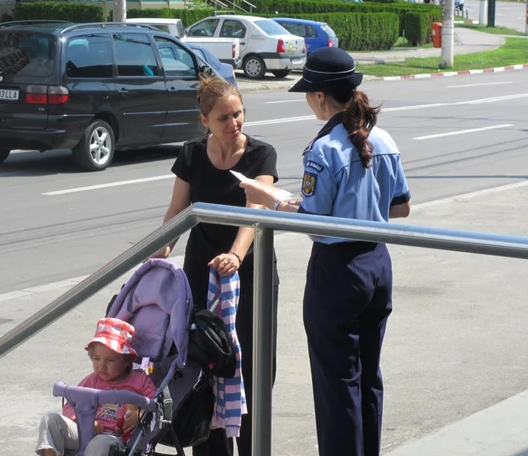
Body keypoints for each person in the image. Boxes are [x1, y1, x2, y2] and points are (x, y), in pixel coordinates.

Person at [239, 47, 411, 456]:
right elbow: (401, 206)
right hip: (377, 263)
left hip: (338, 271)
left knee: (337, 386)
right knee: (368, 377)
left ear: (320, 97)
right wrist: (364, 205)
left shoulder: (324, 149)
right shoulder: (382, 137)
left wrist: (270, 198)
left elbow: (314, 225)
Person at [151, 74, 280, 456]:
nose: (234, 123)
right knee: (203, 368)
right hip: (200, 274)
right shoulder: (191, 155)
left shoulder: (261, 154)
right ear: (204, 120)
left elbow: (254, 214)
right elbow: (178, 212)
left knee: (252, 370)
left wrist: (236, 256)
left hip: (249, 276)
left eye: (238, 114)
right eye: (224, 118)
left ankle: (254, 447)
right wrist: (161, 249)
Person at [35, 317, 157, 456]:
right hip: (85, 432)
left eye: (110, 360)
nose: (101, 366)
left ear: (126, 361)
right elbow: (71, 404)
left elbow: (153, 403)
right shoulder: (92, 380)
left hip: (113, 438)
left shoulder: (140, 380)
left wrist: (139, 414)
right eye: (96, 359)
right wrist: (83, 421)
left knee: (100, 442)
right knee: (50, 420)